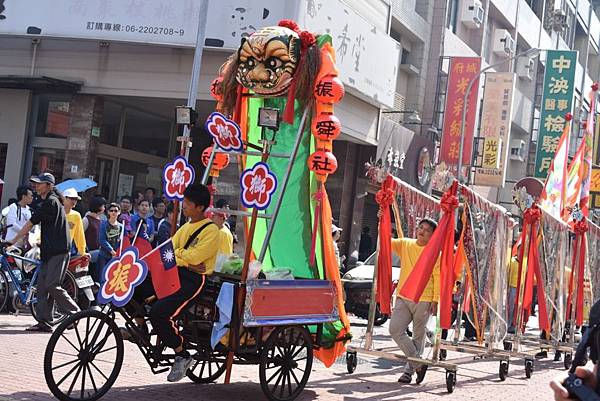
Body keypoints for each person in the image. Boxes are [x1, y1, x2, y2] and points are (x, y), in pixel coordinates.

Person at [125, 183, 220, 382]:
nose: (183, 206)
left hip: (192, 280)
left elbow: (195, 257)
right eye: (184, 202)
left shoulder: (211, 231)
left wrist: (179, 256)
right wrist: (182, 257)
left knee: (161, 313)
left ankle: (182, 354)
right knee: (132, 286)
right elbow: (168, 250)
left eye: (187, 203)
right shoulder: (186, 227)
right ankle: (141, 327)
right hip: (172, 272)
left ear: (200, 207)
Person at [6, 173, 80, 332]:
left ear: (48, 185)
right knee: (42, 287)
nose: (36, 186)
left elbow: (30, 223)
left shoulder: (51, 202)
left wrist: (12, 241)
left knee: (52, 285)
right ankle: (44, 322)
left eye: (39, 184)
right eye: (35, 183)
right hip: (49, 250)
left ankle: (75, 313)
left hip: (58, 251)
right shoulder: (47, 201)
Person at [389, 218, 440, 384]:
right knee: (395, 329)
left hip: (424, 298)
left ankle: (408, 373)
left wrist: (435, 300)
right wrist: (382, 219)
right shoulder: (405, 244)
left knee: (418, 337)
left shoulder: (434, 253)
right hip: (404, 296)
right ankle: (419, 363)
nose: (422, 231)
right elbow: (385, 240)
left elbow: (437, 277)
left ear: (433, 236)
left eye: (427, 230)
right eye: (420, 227)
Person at [97, 203, 123, 282]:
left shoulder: (121, 226)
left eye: (116, 211)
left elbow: (123, 241)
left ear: (119, 212)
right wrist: (112, 251)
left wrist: (117, 253)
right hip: (104, 255)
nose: (113, 212)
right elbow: (102, 240)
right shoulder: (103, 224)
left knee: (113, 279)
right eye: (111, 211)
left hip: (116, 257)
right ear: (108, 212)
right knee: (102, 278)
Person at [62, 188, 87, 257]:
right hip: (52, 248)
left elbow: (79, 234)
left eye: (76, 199)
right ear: (64, 198)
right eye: (72, 199)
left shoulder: (76, 215)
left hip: (66, 250)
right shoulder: (56, 212)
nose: (74, 201)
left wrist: (82, 252)